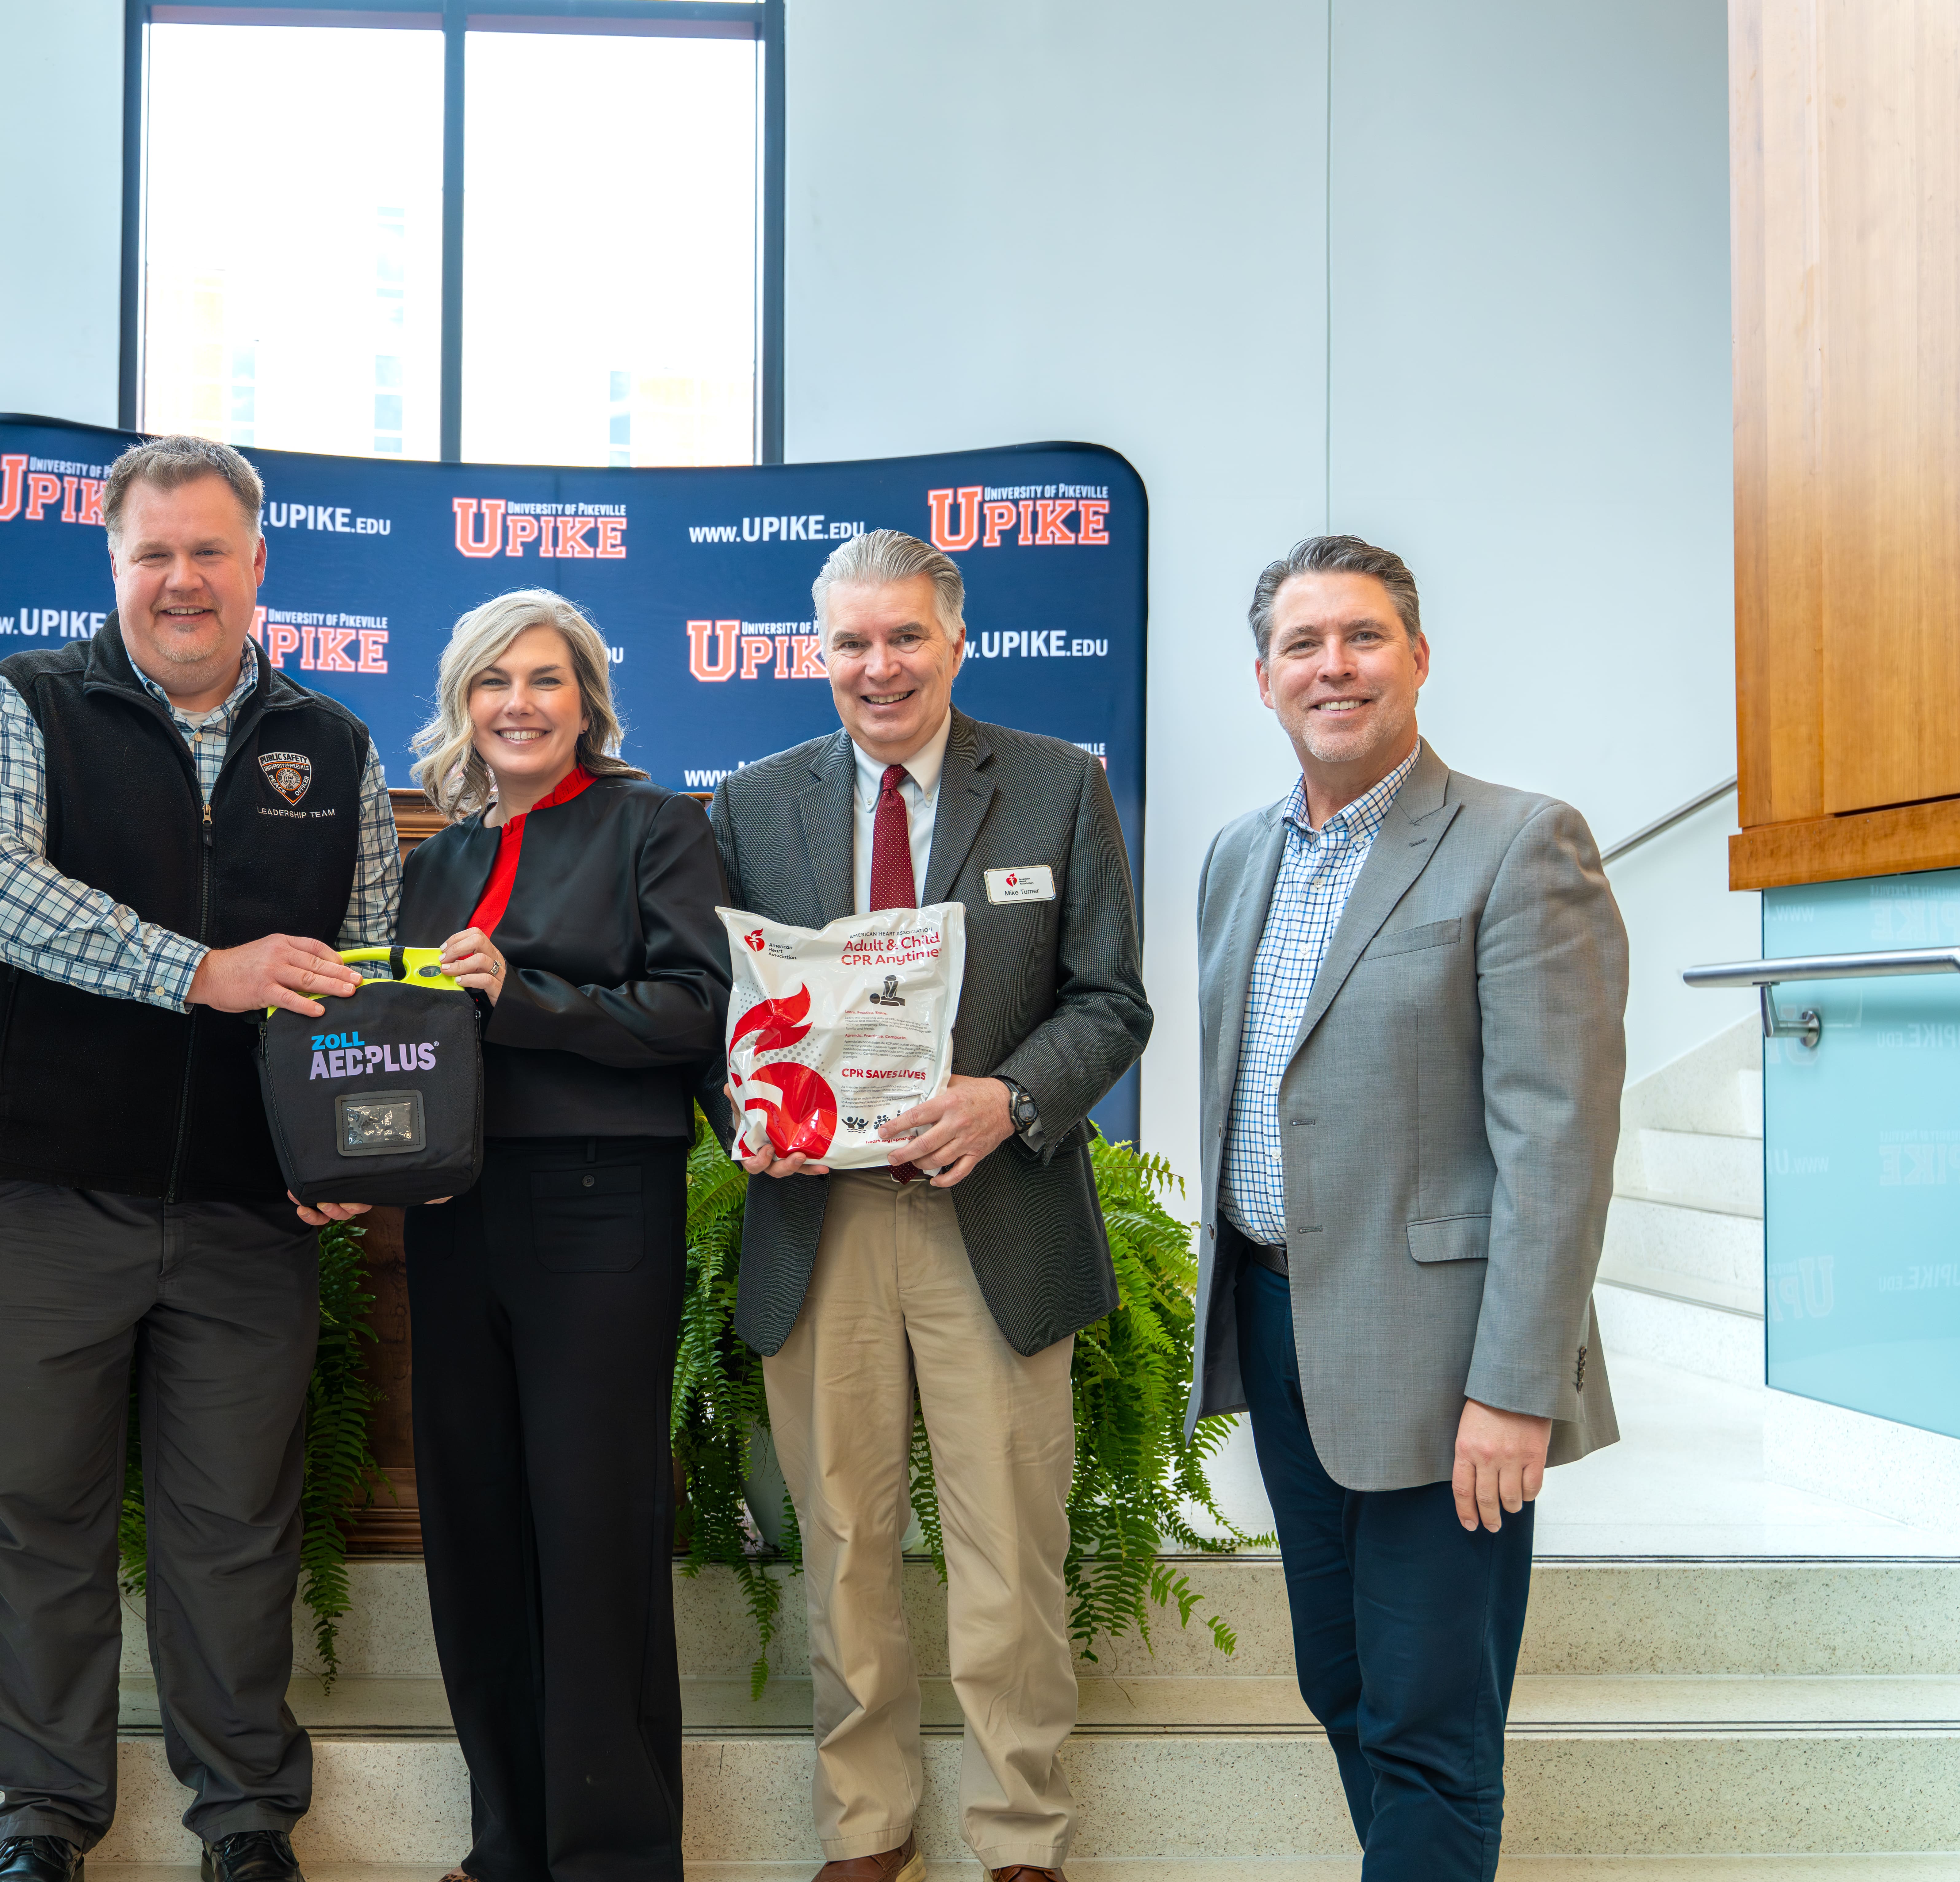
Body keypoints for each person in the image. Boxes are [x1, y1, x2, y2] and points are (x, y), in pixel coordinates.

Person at [0, 434, 401, 1882]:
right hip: (40, 1198)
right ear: (112, 564)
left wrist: (350, 1146)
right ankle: (44, 1819)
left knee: (236, 1531)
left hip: (249, 1217)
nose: (181, 579)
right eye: (153, 553)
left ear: (260, 566)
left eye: (209, 551)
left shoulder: (334, 743)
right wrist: (201, 970)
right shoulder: (23, 705)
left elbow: (370, 967)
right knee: (40, 1522)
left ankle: (247, 1817)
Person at [706, 531, 1149, 1882]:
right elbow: (713, 1017)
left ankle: (1020, 1831)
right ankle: (868, 1825)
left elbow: (1110, 1000)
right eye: (850, 642)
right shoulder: (753, 801)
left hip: (992, 1217)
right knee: (841, 1536)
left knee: (1007, 1539)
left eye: (904, 637)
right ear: (818, 651)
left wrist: (1008, 1098)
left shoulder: (1060, 785)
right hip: (818, 1225)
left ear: (957, 642)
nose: (877, 666)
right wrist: (745, 1115)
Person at [1188, 534, 1625, 1878]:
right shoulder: (1231, 857)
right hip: (1278, 1322)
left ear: (1418, 659)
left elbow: (1556, 1142)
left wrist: (1516, 1387)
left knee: (1433, 1721)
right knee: (1344, 1687)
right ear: (1262, 679)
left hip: (1449, 1360)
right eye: (1304, 644)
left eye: (1363, 636)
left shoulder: (1517, 841)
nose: (1335, 665)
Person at [396, 590, 729, 1882]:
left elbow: (693, 1010)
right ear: (462, 704)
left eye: (544, 679)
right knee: (473, 1525)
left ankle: (617, 1853)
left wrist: (520, 995)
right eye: (493, 682)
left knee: (593, 1526)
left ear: (587, 699)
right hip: (451, 1208)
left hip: (600, 1206)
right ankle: (509, 1841)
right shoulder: (433, 859)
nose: (518, 704)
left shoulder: (654, 827)